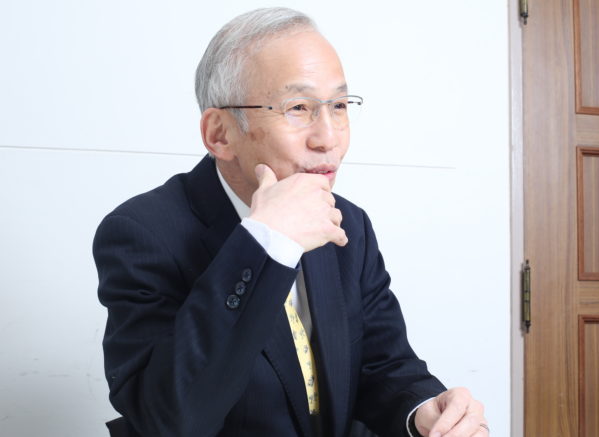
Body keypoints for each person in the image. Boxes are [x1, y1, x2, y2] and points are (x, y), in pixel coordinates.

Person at [93, 7, 489, 437]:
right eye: (298, 108)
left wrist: (424, 410)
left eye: (339, 106)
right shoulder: (141, 233)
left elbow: (383, 364)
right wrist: (266, 243)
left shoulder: (349, 224)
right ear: (220, 134)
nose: (329, 138)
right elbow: (171, 417)